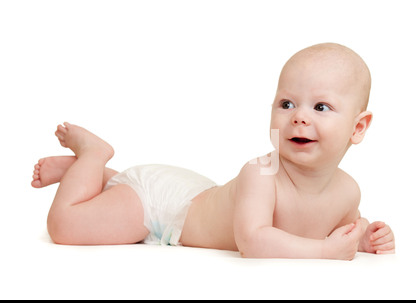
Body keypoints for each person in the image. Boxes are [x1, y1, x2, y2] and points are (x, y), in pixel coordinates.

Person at [32, 43, 395, 260]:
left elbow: (340, 230)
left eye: (320, 107)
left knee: (114, 201)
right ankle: (93, 155)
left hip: (195, 195)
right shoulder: (261, 172)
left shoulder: (348, 190)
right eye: (286, 103)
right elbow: (252, 241)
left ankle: (94, 176)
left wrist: (362, 239)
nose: (298, 117)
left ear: (358, 127)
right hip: (162, 207)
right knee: (64, 227)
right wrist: (324, 254)